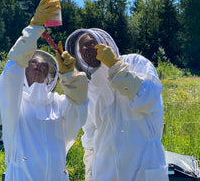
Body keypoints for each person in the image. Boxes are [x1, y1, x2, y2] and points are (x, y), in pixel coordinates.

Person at [0, 0, 88, 181]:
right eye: (33, 63)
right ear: (24, 70)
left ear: (50, 75)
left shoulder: (58, 102)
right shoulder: (16, 102)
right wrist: (34, 28)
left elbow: (79, 107)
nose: (39, 66)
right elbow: (12, 69)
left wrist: (70, 76)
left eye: (43, 65)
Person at [65, 28, 169, 181]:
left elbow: (149, 99)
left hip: (144, 167)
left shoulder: (136, 62)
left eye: (91, 43)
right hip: (106, 172)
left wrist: (116, 66)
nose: (85, 49)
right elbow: (90, 136)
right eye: (81, 48)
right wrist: (90, 174)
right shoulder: (91, 87)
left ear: (104, 43)